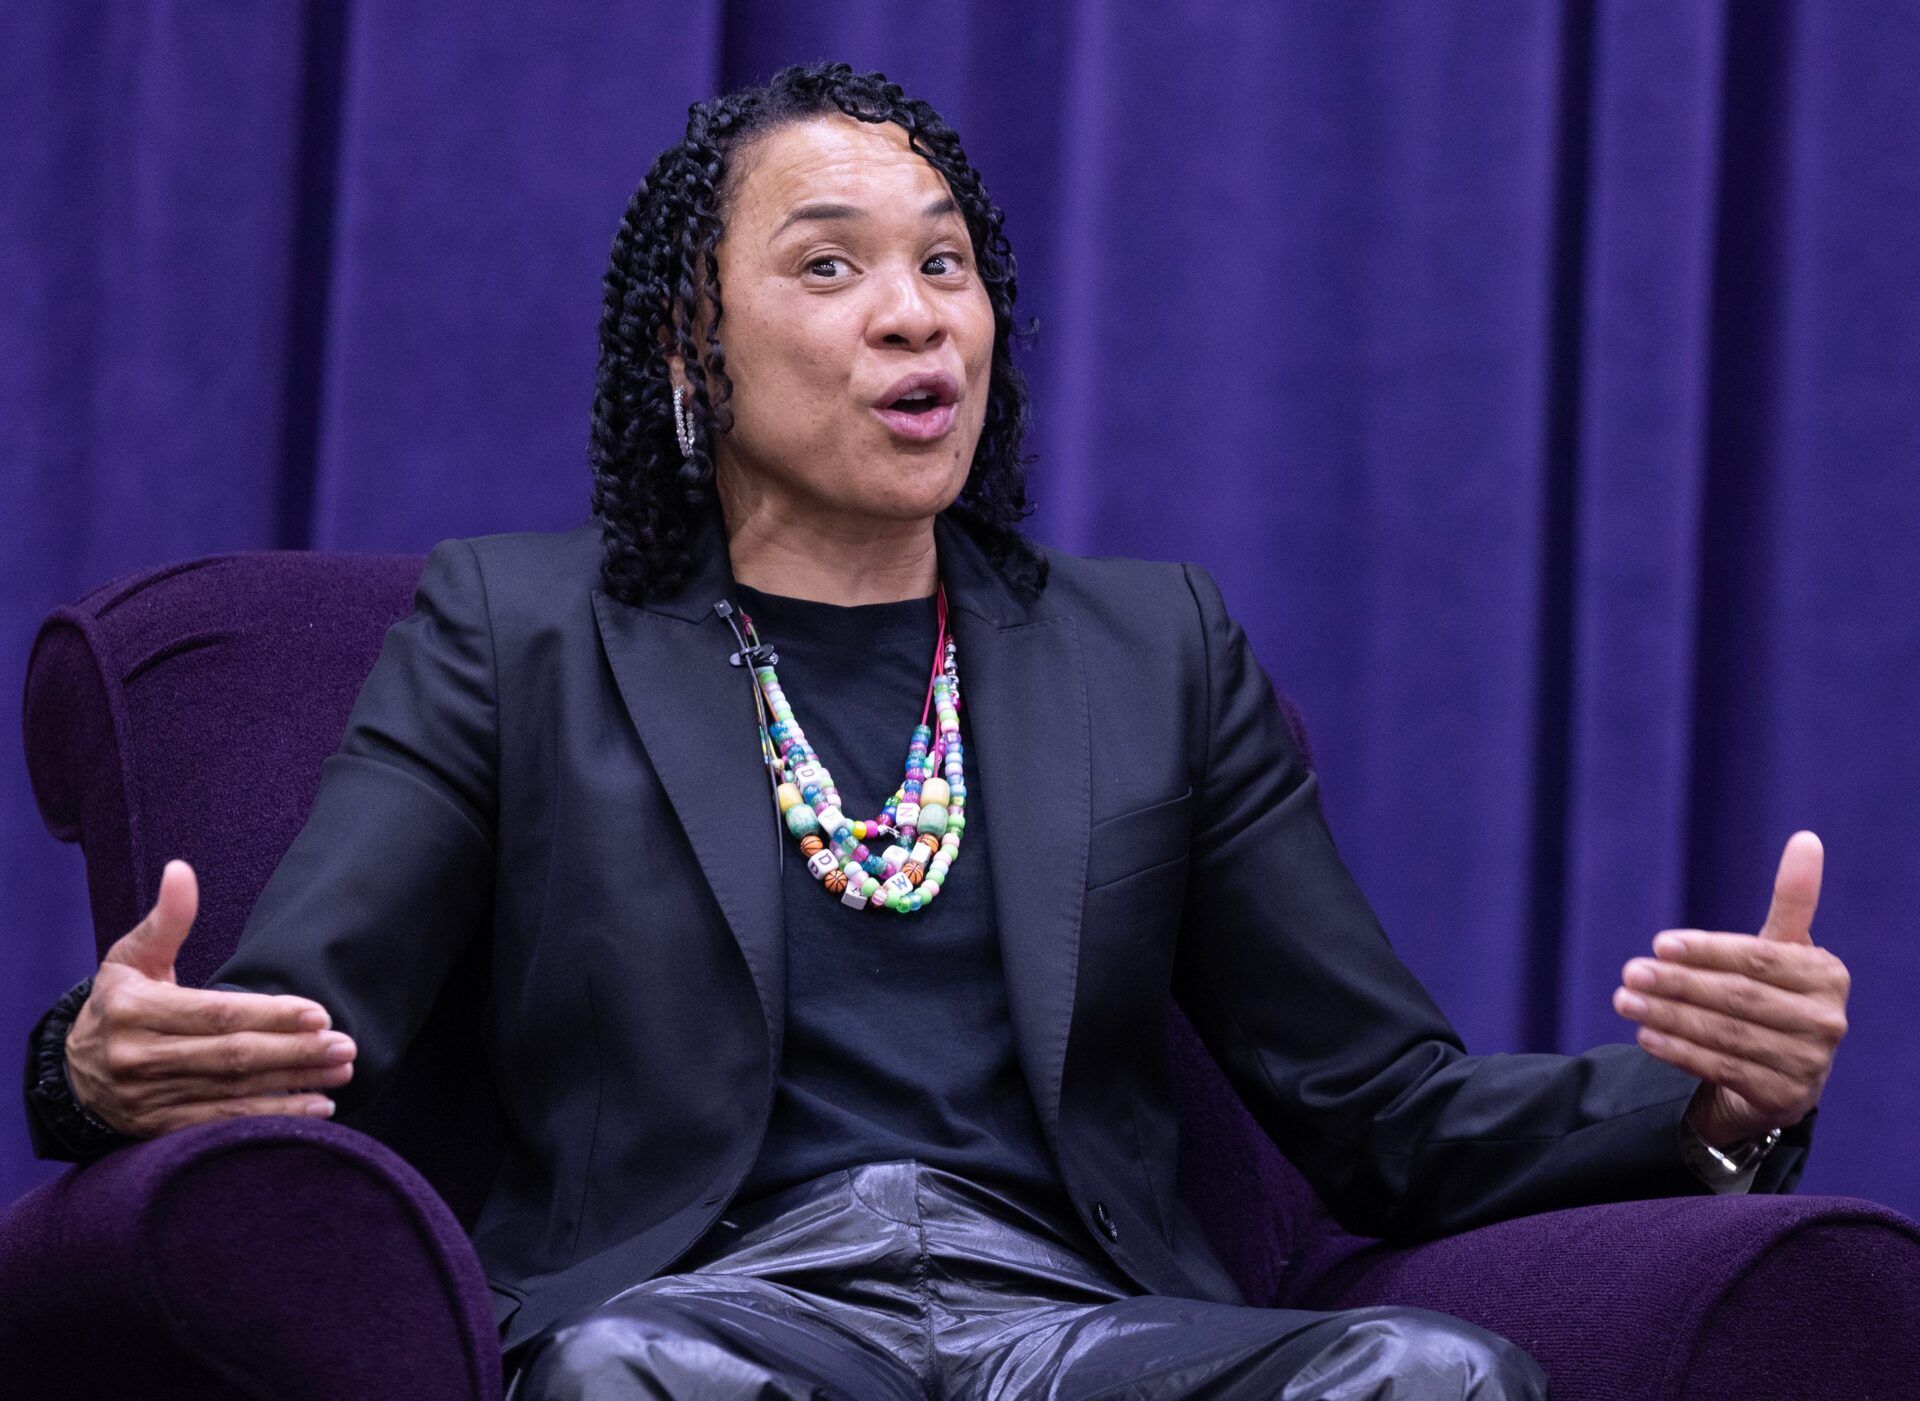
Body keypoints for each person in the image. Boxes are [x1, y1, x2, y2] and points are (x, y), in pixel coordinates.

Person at [24, 62, 1847, 1400]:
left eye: (949, 265)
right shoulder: (518, 633)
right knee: (641, 1381)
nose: (916, 316)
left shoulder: (1156, 650)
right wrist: (100, 1064)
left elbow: (1378, 1109)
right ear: (693, 348)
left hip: (1075, 1319)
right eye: (829, 267)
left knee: (1432, 1375)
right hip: (713, 1306)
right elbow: (289, 1027)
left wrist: (1708, 1102)